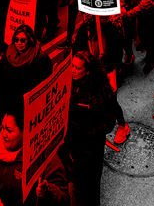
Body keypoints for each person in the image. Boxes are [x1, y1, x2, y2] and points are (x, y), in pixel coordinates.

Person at [61, 51, 127, 206]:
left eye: (77, 68)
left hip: (91, 150)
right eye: (72, 66)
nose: (73, 71)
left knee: (91, 187)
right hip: (72, 147)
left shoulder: (100, 92)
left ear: (87, 71)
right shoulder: (70, 84)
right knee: (75, 184)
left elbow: (109, 123)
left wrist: (86, 131)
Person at [0, 108, 69, 206]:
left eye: (9, 130)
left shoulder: (47, 159)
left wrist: (49, 191)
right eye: (2, 127)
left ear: (25, 133)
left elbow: (64, 199)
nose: (3, 134)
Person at [0, 24, 52, 118]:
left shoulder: (40, 58)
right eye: (16, 40)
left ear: (30, 40)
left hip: (28, 103)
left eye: (22, 40)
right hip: (10, 101)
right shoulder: (9, 53)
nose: (18, 43)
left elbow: (47, 79)